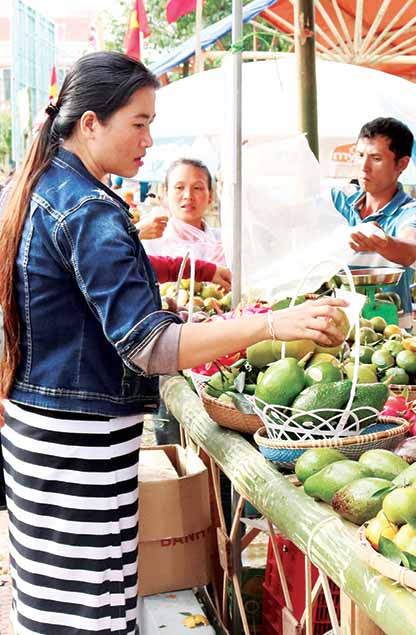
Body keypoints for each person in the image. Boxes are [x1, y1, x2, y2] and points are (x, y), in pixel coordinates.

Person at [0, 51, 347, 635]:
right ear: (91, 123)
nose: (148, 139)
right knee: (90, 614)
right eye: (139, 122)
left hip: (43, 428)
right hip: (77, 443)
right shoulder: (87, 208)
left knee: (54, 605)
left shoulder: (42, 184)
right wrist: (271, 325)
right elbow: (151, 348)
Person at [331, 117, 416, 325]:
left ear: (402, 164)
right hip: (335, 326)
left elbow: (410, 248)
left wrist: (382, 242)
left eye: (376, 158)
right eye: (360, 155)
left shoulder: (413, 211)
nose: (364, 167)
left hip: (391, 334)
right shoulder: (338, 199)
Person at [143, 158, 226, 265]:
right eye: (179, 187)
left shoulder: (225, 243)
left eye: (197, 188)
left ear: (210, 195)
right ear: (166, 193)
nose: (188, 196)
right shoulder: (150, 243)